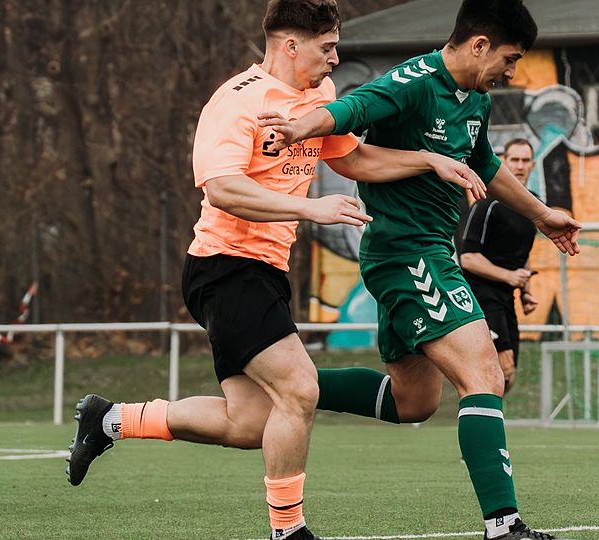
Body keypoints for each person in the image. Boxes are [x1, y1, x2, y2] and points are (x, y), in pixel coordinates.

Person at [63, 2, 486, 540]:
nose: (335, 59)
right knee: (300, 389)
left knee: (248, 423)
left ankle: (111, 419)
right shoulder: (237, 100)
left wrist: (429, 160)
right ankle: (288, 530)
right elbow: (223, 189)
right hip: (224, 266)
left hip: (263, 271)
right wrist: (310, 209)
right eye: (326, 47)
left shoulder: (318, 96)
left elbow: (353, 160)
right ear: (291, 45)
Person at [259, 2, 580, 538]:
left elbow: (485, 165)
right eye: (510, 59)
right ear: (479, 44)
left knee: (413, 401)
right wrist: (296, 129)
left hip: (422, 253)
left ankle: (291, 385)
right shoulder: (413, 82)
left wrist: (542, 215)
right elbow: (348, 110)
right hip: (407, 253)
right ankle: (504, 526)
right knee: (484, 375)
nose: (511, 73)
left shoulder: (475, 99)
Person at [458, 138, 540, 392]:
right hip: (482, 298)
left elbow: (521, 254)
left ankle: (485, 414)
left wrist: (525, 291)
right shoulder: (487, 203)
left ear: (533, 165)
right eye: (514, 160)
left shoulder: (533, 204)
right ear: (504, 162)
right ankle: (478, 414)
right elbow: (468, 258)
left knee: (508, 378)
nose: (520, 166)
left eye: (525, 160)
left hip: (507, 299)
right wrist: (509, 276)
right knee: (501, 371)